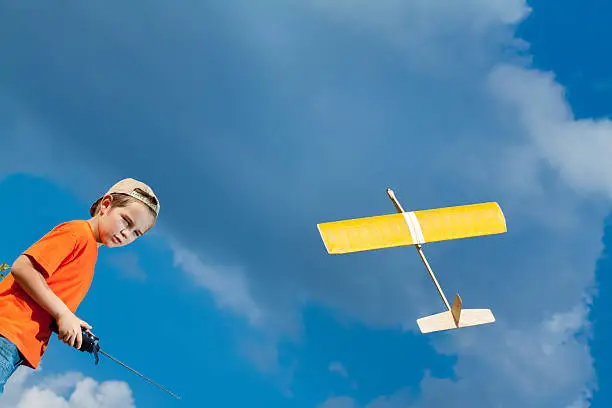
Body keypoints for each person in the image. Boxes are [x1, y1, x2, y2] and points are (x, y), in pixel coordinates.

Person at [0, 178, 160, 394]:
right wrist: (63, 313)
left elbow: (48, 302)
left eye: (135, 233)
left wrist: (68, 323)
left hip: (17, 342)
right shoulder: (77, 233)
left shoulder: (89, 253)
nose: (126, 234)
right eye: (126, 221)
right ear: (106, 205)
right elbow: (23, 268)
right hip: (7, 329)